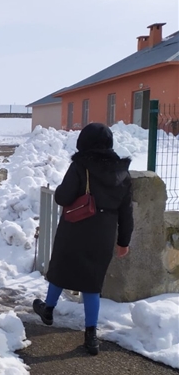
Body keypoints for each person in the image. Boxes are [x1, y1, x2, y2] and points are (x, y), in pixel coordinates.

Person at [32, 123, 133, 355]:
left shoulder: (80, 165)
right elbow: (126, 211)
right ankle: (91, 336)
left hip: (76, 228)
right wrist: (123, 241)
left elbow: (63, 197)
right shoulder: (122, 172)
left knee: (60, 268)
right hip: (104, 233)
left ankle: (48, 310)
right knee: (92, 282)